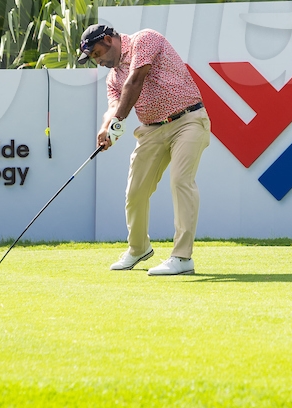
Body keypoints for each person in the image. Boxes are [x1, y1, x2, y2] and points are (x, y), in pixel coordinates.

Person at [78, 23, 210, 276]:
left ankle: (182, 257)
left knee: (180, 181)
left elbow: (135, 81)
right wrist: (106, 128)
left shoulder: (145, 39)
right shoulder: (113, 78)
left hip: (188, 120)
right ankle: (138, 248)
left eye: (97, 53)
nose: (98, 61)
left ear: (108, 40)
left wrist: (118, 123)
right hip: (151, 130)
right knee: (135, 191)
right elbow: (114, 106)